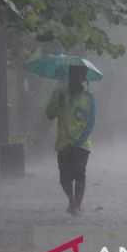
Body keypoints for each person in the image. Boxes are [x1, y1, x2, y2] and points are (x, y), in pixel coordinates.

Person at [45, 65, 95, 215]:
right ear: (69, 77)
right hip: (63, 143)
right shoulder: (60, 95)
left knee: (80, 173)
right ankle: (71, 200)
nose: (76, 79)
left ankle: (77, 205)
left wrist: (80, 140)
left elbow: (91, 122)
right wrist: (56, 100)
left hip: (82, 144)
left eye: (79, 76)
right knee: (64, 177)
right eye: (73, 76)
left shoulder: (88, 98)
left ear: (83, 79)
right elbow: (49, 114)